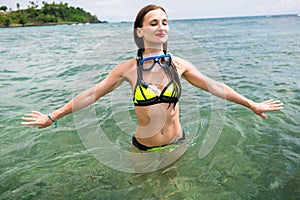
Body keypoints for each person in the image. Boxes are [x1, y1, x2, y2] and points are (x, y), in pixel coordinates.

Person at [21, 4, 283, 151]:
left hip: (178, 142)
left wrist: (252, 104)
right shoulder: (127, 68)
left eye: (165, 22)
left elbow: (215, 87)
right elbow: (92, 93)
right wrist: (52, 116)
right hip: (142, 148)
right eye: (154, 23)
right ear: (140, 30)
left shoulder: (178, 64)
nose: (162, 27)